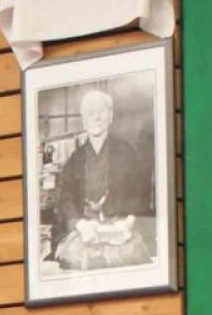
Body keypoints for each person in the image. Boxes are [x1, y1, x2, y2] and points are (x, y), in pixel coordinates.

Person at [47, 88, 153, 270]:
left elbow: (140, 192)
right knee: (75, 256)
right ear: (84, 121)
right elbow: (65, 198)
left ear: (110, 116)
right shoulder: (75, 160)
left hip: (118, 228)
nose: (96, 117)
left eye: (101, 111)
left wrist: (129, 221)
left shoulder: (127, 152)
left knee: (130, 254)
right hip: (86, 230)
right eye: (90, 113)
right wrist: (80, 224)